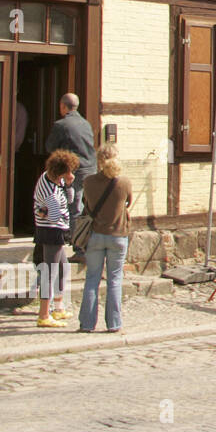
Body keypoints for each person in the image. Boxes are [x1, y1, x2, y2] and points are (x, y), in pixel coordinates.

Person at [78, 144, 134, 333]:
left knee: (92, 279)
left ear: (99, 161)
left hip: (95, 235)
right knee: (115, 279)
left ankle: (87, 324)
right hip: (118, 236)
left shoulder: (88, 181)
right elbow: (128, 202)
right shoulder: (124, 182)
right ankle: (114, 323)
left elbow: (86, 205)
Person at [34, 149, 79, 328]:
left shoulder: (54, 179)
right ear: (61, 170)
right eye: (69, 171)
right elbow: (53, 216)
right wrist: (45, 211)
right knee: (49, 272)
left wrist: (68, 185)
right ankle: (44, 314)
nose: (71, 174)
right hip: (51, 231)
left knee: (62, 268)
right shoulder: (49, 190)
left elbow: (69, 200)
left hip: (57, 229)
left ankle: (58, 308)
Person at [45, 93, 96, 229]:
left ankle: (76, 242)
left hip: (74, 172)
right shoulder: (86, 124)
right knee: (86, 207)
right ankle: (85, 238)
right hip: (91, 169)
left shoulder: (61, 125)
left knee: (74, 207)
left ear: (63, 106)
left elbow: (50, 147)